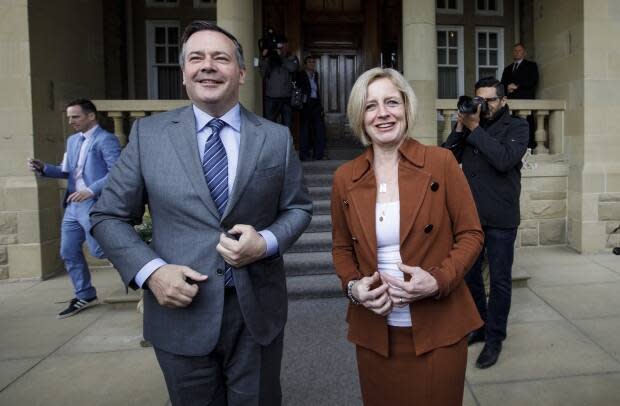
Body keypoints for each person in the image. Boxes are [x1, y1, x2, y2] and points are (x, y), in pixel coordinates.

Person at [90, 22, 312, 405]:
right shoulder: (149, 136)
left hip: (256, 314)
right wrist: (152, 272)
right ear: (184, 75)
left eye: (220, 58)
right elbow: (107, 216)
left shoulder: (274, 137)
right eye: (197, 57)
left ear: (241, 73)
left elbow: (298, 208)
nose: (207, 66)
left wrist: (267, 242)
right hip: (179, 313)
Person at [331, 67, 484, 406]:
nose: (382, 113)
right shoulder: (345, 177)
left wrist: (438, 280)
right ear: (360, 116)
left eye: (391, 102)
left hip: (438, 327)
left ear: (406, 108)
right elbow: (342, 248)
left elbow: (471, 234)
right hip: (376, 332)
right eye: (371, 106)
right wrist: (354, 288)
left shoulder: (441, 162)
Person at [443, 77, 529, 369]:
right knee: (469, 276)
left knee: (501, 282)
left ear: (504, 101)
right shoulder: (470, 125)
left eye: (491, 99)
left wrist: (475, 129)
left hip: (502, 217)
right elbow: (445, 157)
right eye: (480, 99)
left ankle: (494, 339)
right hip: (471, 218)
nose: (484, 105)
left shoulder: (518, 127)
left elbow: (504, 160)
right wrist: (459, 127)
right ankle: (479, 325)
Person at [28, 99, 121, 319]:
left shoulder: (106, 140)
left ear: (91, 116)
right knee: (68, 251)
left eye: (75, 117)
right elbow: (66, 171)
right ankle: (85, 294)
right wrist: (44, 168)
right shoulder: (72, 141)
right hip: (72, 205)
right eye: (69, 117)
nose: (71, 121)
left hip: (93, 203)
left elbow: (117, 172)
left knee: (99, 250)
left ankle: (144, 275)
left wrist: (90, 190)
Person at [500, 43, 539, 148]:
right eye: (515, 51)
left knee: (526, 125)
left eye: (519, 50)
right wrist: (507, 87)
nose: (517, 52)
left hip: (525, 101)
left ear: (524, 53)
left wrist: (517, 86)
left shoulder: (531, 66)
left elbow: (533, 81)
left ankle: (529, 146)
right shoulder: (508, 69)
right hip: (511, 103)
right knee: (512, 125)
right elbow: (502, 84)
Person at [259, 37, 299, 128]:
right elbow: (262, 74)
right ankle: (272, 142)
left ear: (287, 46)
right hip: (271, 97)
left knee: (287, 125)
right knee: (270, 125)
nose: (281, 47)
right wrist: (263, 57)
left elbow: (293, 68)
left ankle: (286, 142)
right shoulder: (269, 59)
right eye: (279, 45)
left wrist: (281, 57)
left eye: (283, 45)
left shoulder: (291, 57)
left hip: (286, 98)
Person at [296, 55, 327, 160]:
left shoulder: (316, 75)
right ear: (305, 64)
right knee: (305, 130)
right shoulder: (300, 75)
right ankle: (304, 155)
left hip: (315, 104)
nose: (312, 64)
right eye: (310, 62)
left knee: (319, 129)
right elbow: (296, 86)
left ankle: (319, 154)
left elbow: (316, 90)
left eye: (314, 62)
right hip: (305, 105)